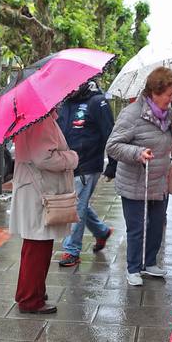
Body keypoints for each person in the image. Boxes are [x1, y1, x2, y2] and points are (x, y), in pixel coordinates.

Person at [106, 66, 172, 286]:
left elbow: (169, 145)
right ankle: (133, 268)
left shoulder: (170, 115)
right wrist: (137, 152)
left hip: (160, 180)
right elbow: (112, 146)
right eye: (169, 94)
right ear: (155, 92)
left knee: (156, 226)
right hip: (136, 182)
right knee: (137, 228)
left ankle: (149, 263)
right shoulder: (132, 114)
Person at [9, 111, 78, 313]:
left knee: (34, 245)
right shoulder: (41, 119)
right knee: (38, 247)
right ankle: (30, 299)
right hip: (39, 191)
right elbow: (44, 158)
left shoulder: (30, 117)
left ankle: (31, 291)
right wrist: (71, 157)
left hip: (34, 188)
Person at [55, 80, 113, 267]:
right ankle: (101, 231)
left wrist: (113, 164)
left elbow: (110, 134)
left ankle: (72, 250)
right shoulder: (65, 102)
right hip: (66, 164)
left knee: (76, 206)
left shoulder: (97, 102)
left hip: (87, 164)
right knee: (79, 203)